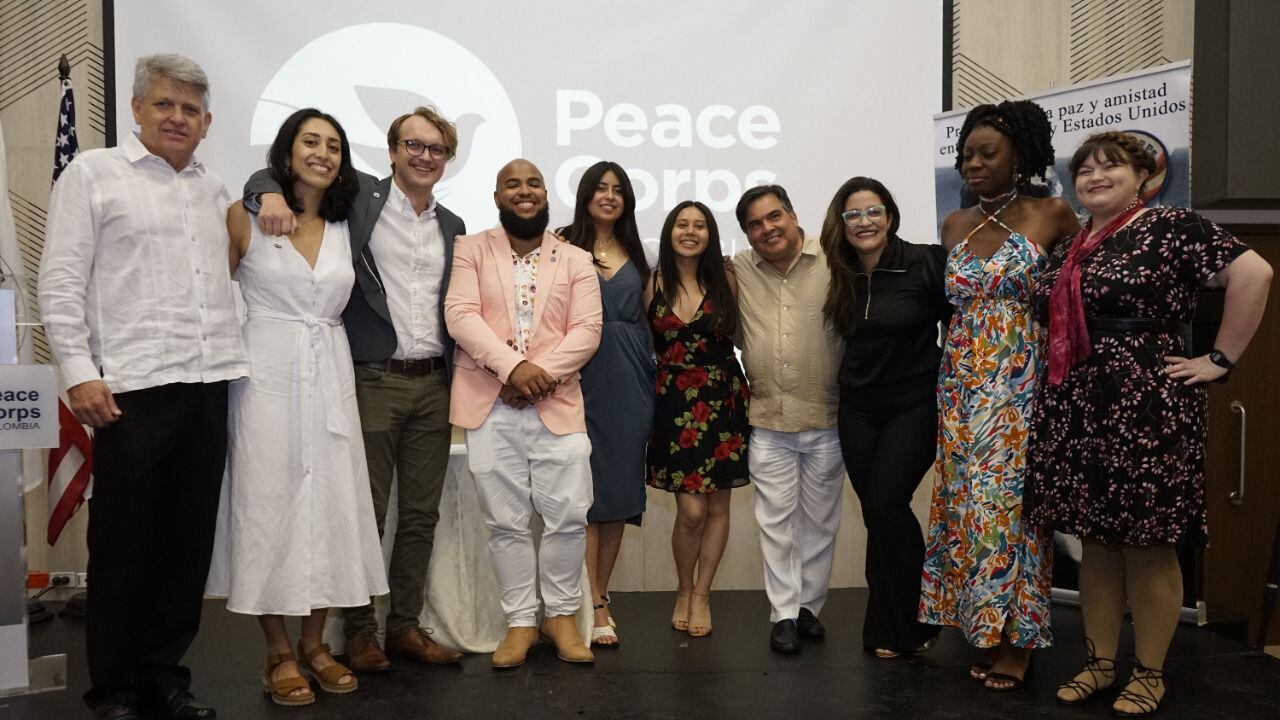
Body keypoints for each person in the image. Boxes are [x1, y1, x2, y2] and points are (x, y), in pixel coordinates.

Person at [1026, 131, 1272, 716]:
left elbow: (1255, 273)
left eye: (1110, 166)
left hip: (1147, 403)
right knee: (1097, 543)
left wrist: (1219, 359)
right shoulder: (1074, 243)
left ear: (1142, 177)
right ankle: (1099, 663)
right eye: (1085, 169)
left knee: (1149, 545)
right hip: (1078, 403)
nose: (1095, 176)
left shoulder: (1172, 226)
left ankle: (1150, 673)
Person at [39, 53, 248, 720]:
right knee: (123, 546)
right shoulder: (93, 175)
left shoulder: (214, 190)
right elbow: (60, 281)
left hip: (207, 383)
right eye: (164, 104)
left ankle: (164, 675)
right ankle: (114, 689)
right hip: (129, 390)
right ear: (136, 109)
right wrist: (79, 373)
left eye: (190, 109)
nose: (177, 118)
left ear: (207, 122)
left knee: (186, 545)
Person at [244, 106, 466, 672]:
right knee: (361, 510)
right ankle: (360, 632)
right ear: (391, 151)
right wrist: (264, 192)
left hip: (434, 383)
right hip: (370, 377)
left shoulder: (453, 225)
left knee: (420, 516)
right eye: (413, 145)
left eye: (436, 149)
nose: (424, 156)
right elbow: (275, 174)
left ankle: (405, 627)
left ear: (447, 159)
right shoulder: (360, 201)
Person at [207, 108, 387, 706]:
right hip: (265, 376)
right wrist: (262, 190)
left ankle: (315, 644)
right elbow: (212, 298)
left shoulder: (346, 221)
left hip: (330, 371)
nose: (323, 154)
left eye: (334, 146)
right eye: (311, 142)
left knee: (331, 506)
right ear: (286, 153)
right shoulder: (244, 216)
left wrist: (265, 186)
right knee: (267, 506)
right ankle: (277, 651)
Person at [918, 99, 1080, 691]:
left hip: (1021, 383)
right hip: (960, 382)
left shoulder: (1053, 214)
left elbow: (1076, 299)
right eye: (966, 155)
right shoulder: (953, 224)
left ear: (1021, 155)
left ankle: (1019, 639)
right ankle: (982, 625)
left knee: (1011, 509)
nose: (974, 164)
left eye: (988, 153)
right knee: (966, 504)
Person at [445, 158, 603, 668]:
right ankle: (520, 622)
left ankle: (560, 617)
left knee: (569, 516)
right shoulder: (470, 248)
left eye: (533, 182)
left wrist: (536, 376)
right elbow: (460, 315)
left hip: (558, 404)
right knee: (505, 522)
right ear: (497, 196)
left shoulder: (576, 258)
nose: (524, 191)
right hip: (491, 403)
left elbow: (587, 330)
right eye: (512, 184)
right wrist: (513, 370)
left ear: (546, 194)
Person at [820, 177, 950, 659]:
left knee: (886, 502)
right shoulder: (838, 272)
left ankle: (921, 616)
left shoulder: (925, 261)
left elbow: (958, 326)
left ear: (890, 217)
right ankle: (886, 626)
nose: (864, 222)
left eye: (873, 211)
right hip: (857, 409)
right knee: (878, 514)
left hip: (914, 403)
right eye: (853, 214)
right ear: (842, 224)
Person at [731, 185, 843, 653]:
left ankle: (809, 608)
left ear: (794, 216)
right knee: (775, 526)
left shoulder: (835, 259)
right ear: (747, 234)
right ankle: (783, 614)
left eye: (774, 216)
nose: (767, 229)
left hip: (827, 417)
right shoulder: (738, 269)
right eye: (755, 224)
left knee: (820, 524)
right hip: (768, 421)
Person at [557, 161, 655, 647]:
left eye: (618, 189)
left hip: (629, 376)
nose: (609, 196)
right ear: (585, 195)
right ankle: (583, 602)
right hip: (576, 375)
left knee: (616, 494)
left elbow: (650, 315)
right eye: (601, 187)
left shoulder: (639, 250)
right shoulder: (560, 243)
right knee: (582, 496)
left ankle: (599, 595)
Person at [646, 200, 750, 639]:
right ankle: (683, 588)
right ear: (669, 232)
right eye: (682, 224)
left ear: (711, 235)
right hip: (673, 403)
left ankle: (702, 595)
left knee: (718, 506)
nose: (690, 232)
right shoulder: (652, 281)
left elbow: (743, 334)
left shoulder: (726, 278)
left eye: (700, 225)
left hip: (722, 398)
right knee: (691, 510)